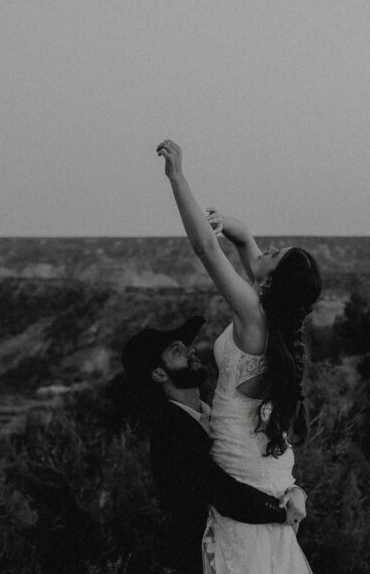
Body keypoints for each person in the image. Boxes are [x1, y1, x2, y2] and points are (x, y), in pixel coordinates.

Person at [156, 138, 322, 574]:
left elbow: (206, 249)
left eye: (273, 255)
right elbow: (246, 240)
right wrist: (231, 223)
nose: (262, 251)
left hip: (241, 470)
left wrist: (177, 176)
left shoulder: (254, 317)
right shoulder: (275, 318)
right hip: (257, 460)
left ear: (273, 283)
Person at [120, 315, 307, 574]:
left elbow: (255, 467)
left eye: (186, 346)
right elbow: (221, 492)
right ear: (159, 373)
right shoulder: (170, 434)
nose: (191, 350)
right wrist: (281, 512)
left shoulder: (215, 415)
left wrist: (295, 492)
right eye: (178, 351)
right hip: (214, 560)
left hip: (253, 548)